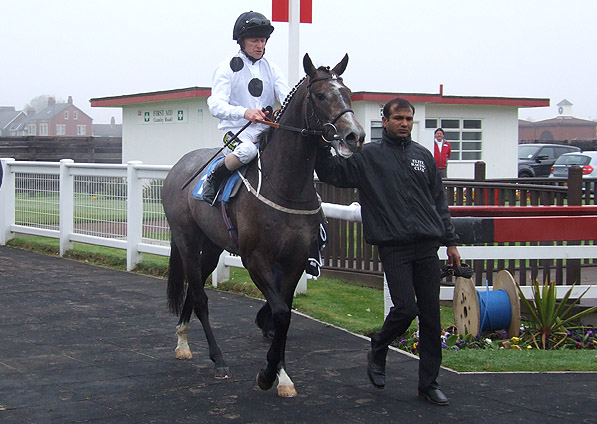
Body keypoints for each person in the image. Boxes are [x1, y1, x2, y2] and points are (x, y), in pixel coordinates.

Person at [314, 98, 461, 406]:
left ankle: (428, 384)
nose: (404, 123)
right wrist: (321, 140)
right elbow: (333, 173)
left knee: (432, 319)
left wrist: (450, 242)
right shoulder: (368, 157)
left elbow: (439, 202)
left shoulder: (423, 157)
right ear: (384, 119)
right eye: (398, 118)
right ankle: (379, 346)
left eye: (408, 118)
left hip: (427, 247)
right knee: (406, 309)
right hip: (394, 247)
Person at [204, 11, 289, 205]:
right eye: (254, 41)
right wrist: (245, 112)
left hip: (266, 131)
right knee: (248, 151)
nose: (260, 46)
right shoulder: (226, 68)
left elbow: (287, 96)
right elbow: (215, 105)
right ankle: (215, 176)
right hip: (236, 133)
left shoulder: (273, 68)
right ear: (242, 41)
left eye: (263, 40)